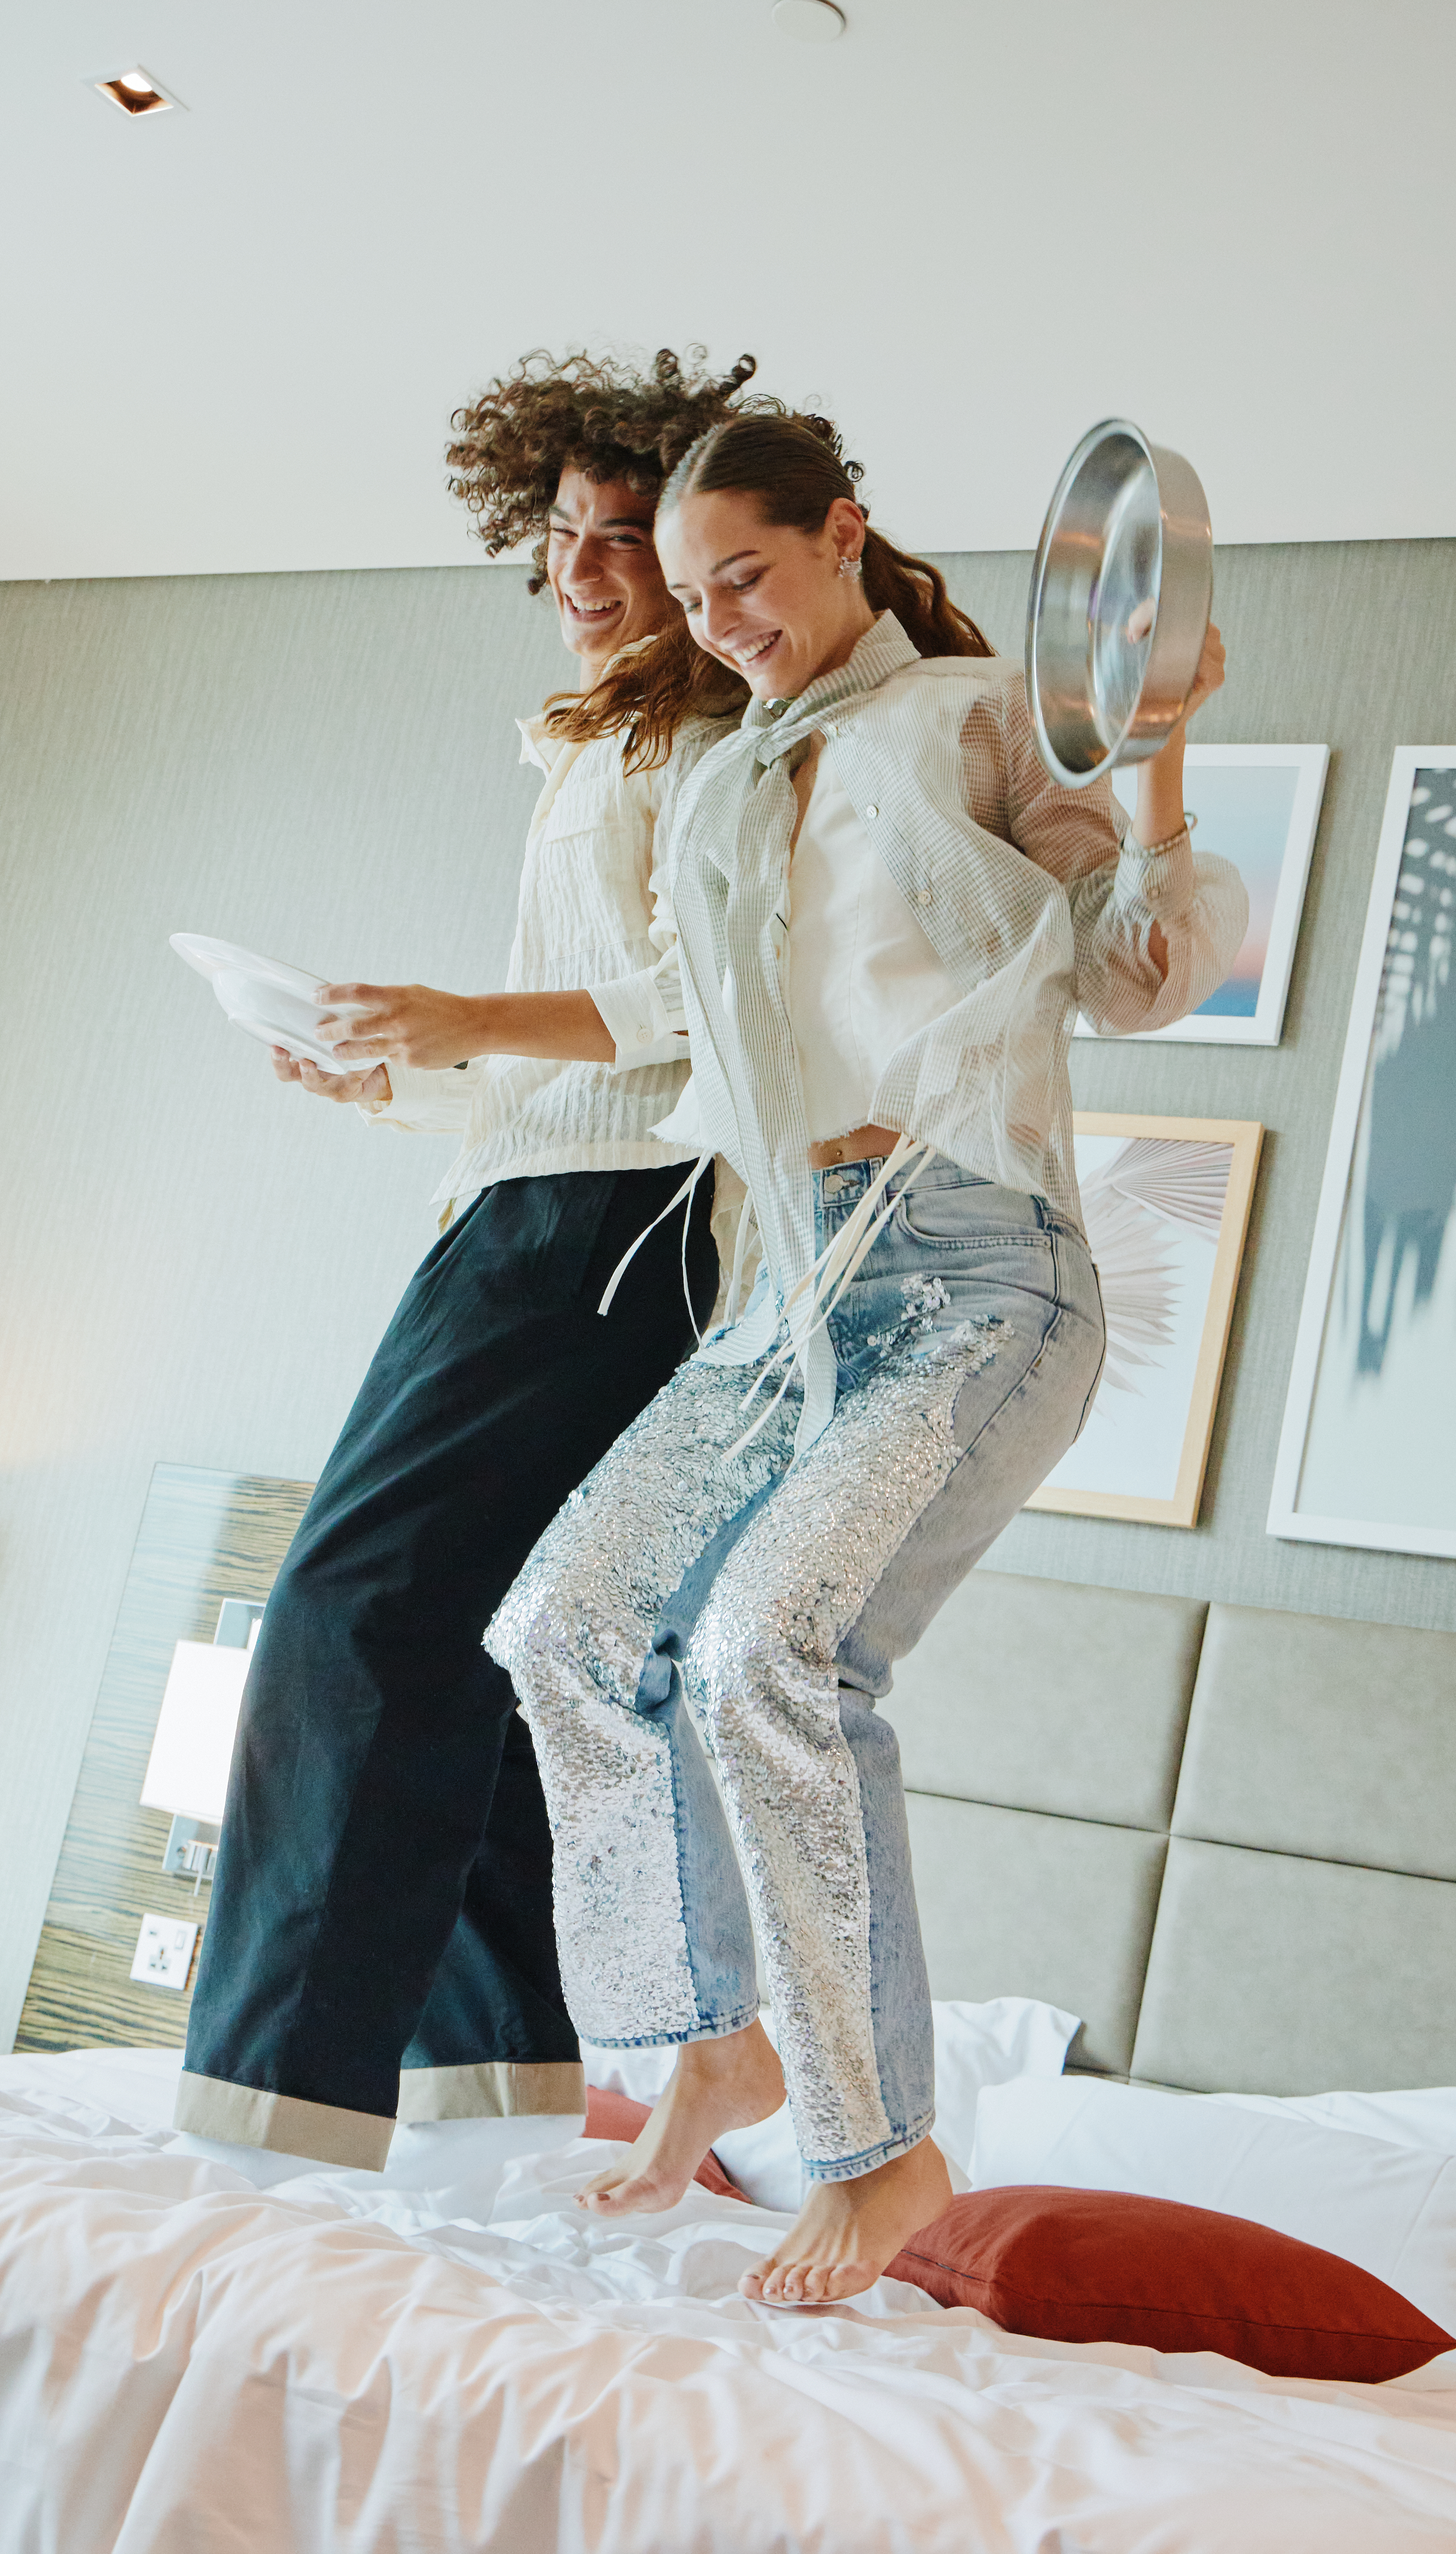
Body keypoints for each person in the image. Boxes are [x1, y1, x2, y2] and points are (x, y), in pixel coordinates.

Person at [487, 412, 1246, 2301]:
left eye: (744, 573)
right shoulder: (729, 784)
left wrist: (1151, 763)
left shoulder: (983, 716)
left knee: (770, 1647)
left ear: (841, 537)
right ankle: (701, 2038)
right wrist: (419, 1037)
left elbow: (1140, 969)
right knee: (568, 1620)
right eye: (690, 596)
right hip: (793, 1291)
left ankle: (875, 2145)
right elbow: (670, 1019)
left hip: (980, 1273)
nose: (720, 619)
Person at [177, 349, 772, 2170]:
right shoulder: (605, 741)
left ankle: (274, 2105)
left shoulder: (702, 747)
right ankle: (488, 2101)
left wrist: (458, 1014)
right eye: (561, 537)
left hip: (606, 1221)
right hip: (566, 1201)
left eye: (626, 539)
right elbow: (577, 1069)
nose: (586, 569)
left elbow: (703, 1007)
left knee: (353, 1612)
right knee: (477, 1651)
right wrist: (391, 1075)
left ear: (694, 560)